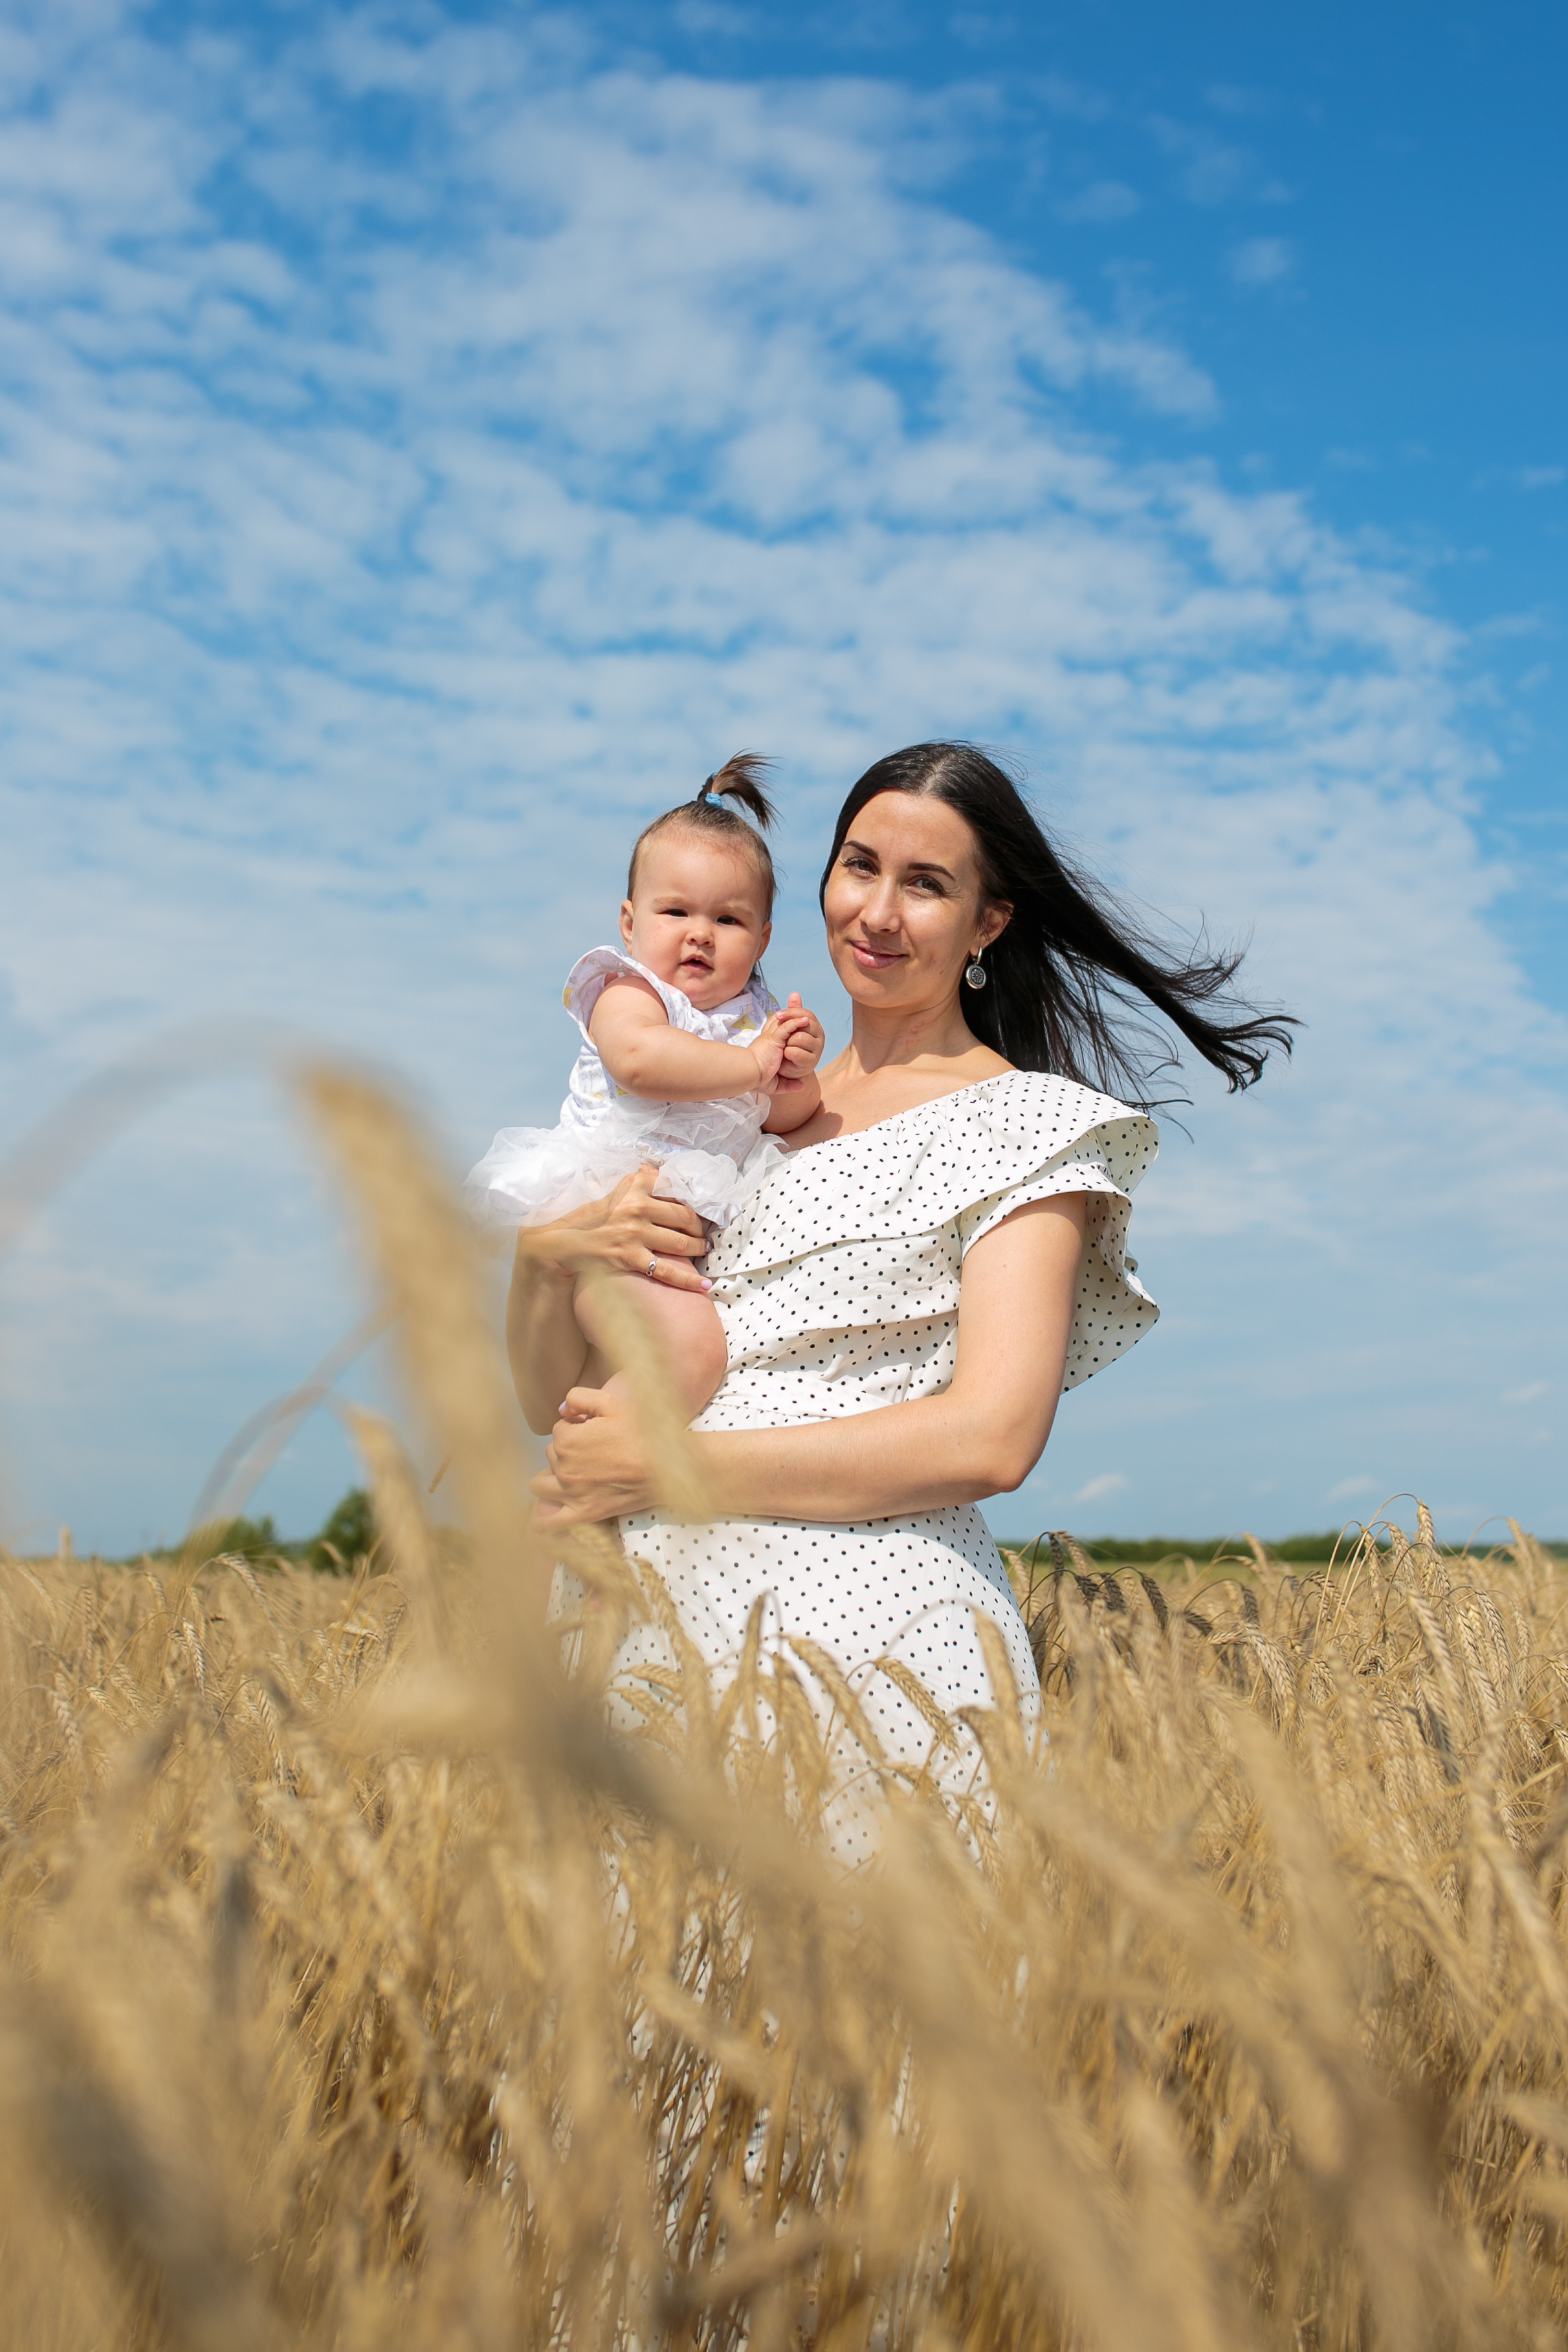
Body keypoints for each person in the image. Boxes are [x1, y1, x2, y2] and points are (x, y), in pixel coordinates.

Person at [508, 743, 1293, 1858]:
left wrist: (666, 1468)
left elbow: (992, 1436)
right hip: (640, 1648)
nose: (875, 911)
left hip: (867, 1648)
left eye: (923, 884)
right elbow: (549, 1394)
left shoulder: (1026, 1124)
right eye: (856, 865)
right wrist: (544, 1255)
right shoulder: (735, 1109)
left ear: (988, 922)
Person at [467, 757, 824, 1424]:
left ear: (764, 938)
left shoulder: (753, 1016)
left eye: (728, 919)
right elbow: (638, 1059)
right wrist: (750, 1065)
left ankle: (583, 1456)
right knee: (690, 1353)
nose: (699, 932)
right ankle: (578, 1479)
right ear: (629, 923)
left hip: (663, 1232)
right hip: (598, 1204)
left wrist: (792, 1068)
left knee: (620, 1373)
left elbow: (787, 1115)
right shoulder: (627, 989)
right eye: (675, 910)